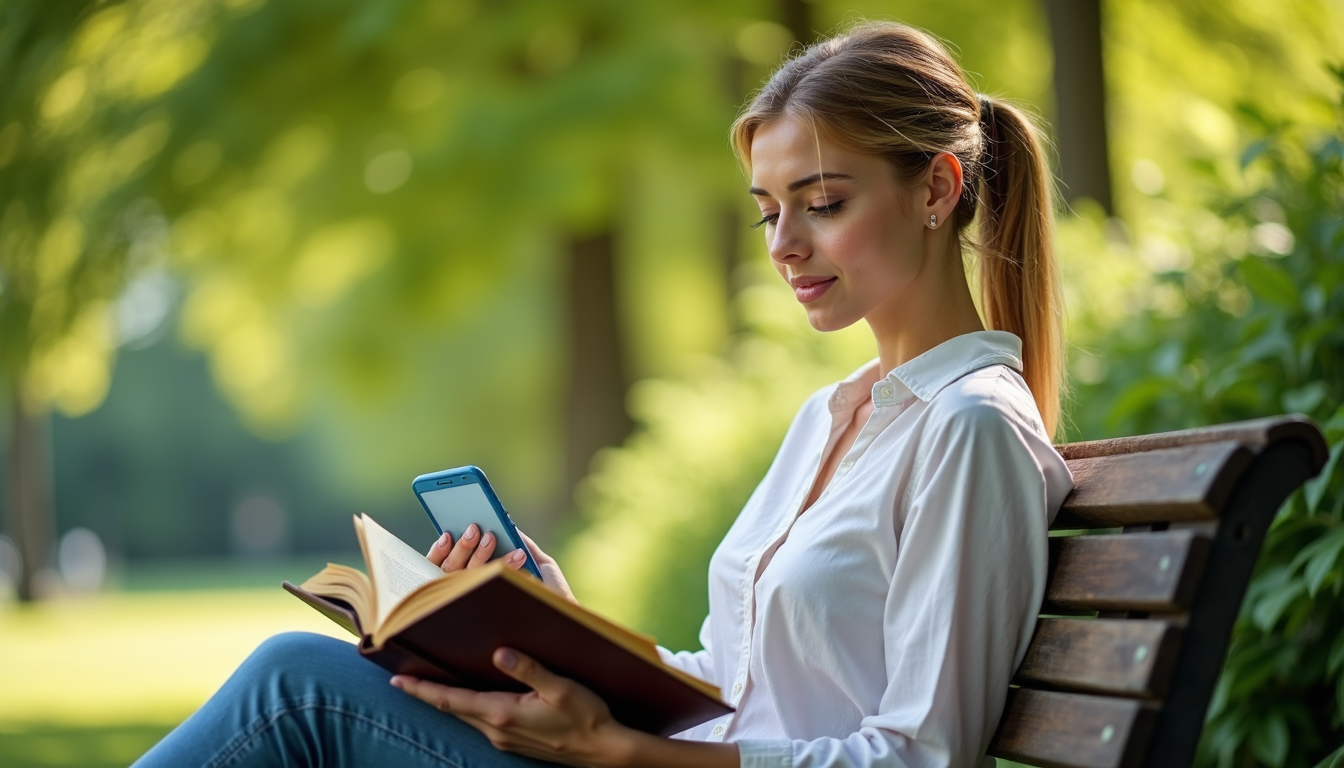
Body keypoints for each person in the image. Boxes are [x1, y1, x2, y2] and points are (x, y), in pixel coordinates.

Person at [133, 20, 1073, 768]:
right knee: (300, 678)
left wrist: (628, 756)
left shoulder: (971, 429)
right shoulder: (834, 416)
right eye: (767, 212)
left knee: (296, 688)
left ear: (936, 190)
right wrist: (560, 629)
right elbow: (734, 682)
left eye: (823, 203)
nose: (786, 244)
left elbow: (920, 756)